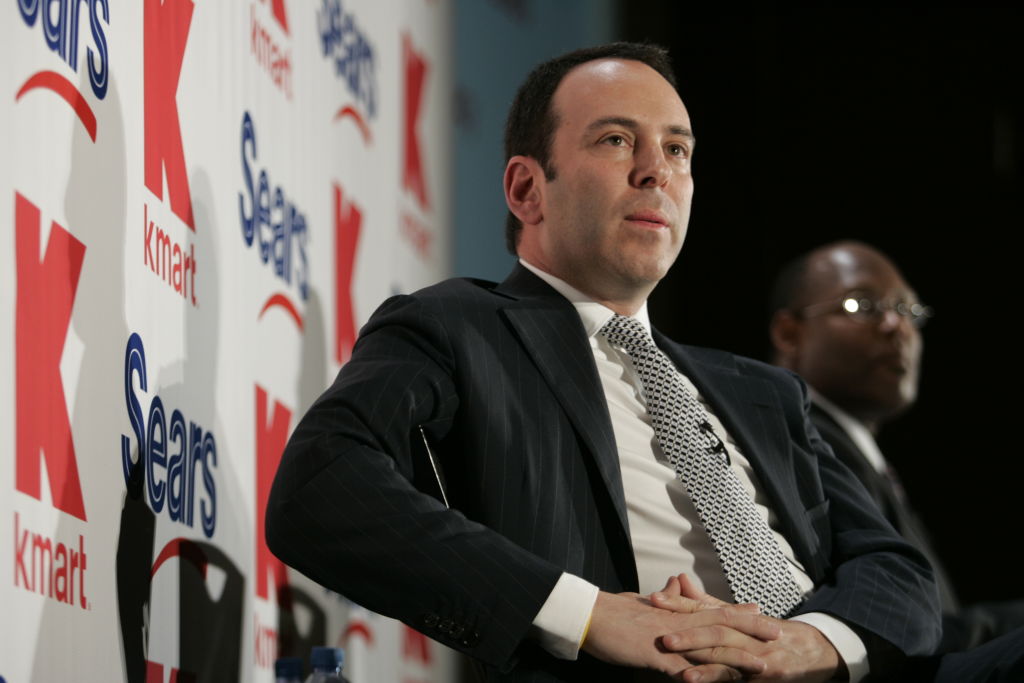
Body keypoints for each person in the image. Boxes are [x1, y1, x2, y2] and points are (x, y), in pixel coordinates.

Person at [266, 44, 941, 682]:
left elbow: (897, 570)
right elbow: (319, 489)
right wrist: (589, 613)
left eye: (677, 149)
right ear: (528, 189)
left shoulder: (765, 392)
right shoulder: (458, 327)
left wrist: (810, 643)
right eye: (617, 140)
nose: (657, 171)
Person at [769, 240, 1024, 654]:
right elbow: (889, 627)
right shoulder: (798, 442)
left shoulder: (858, 451)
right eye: (861, 306)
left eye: (909, 310)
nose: (896, 326)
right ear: (788, 332)